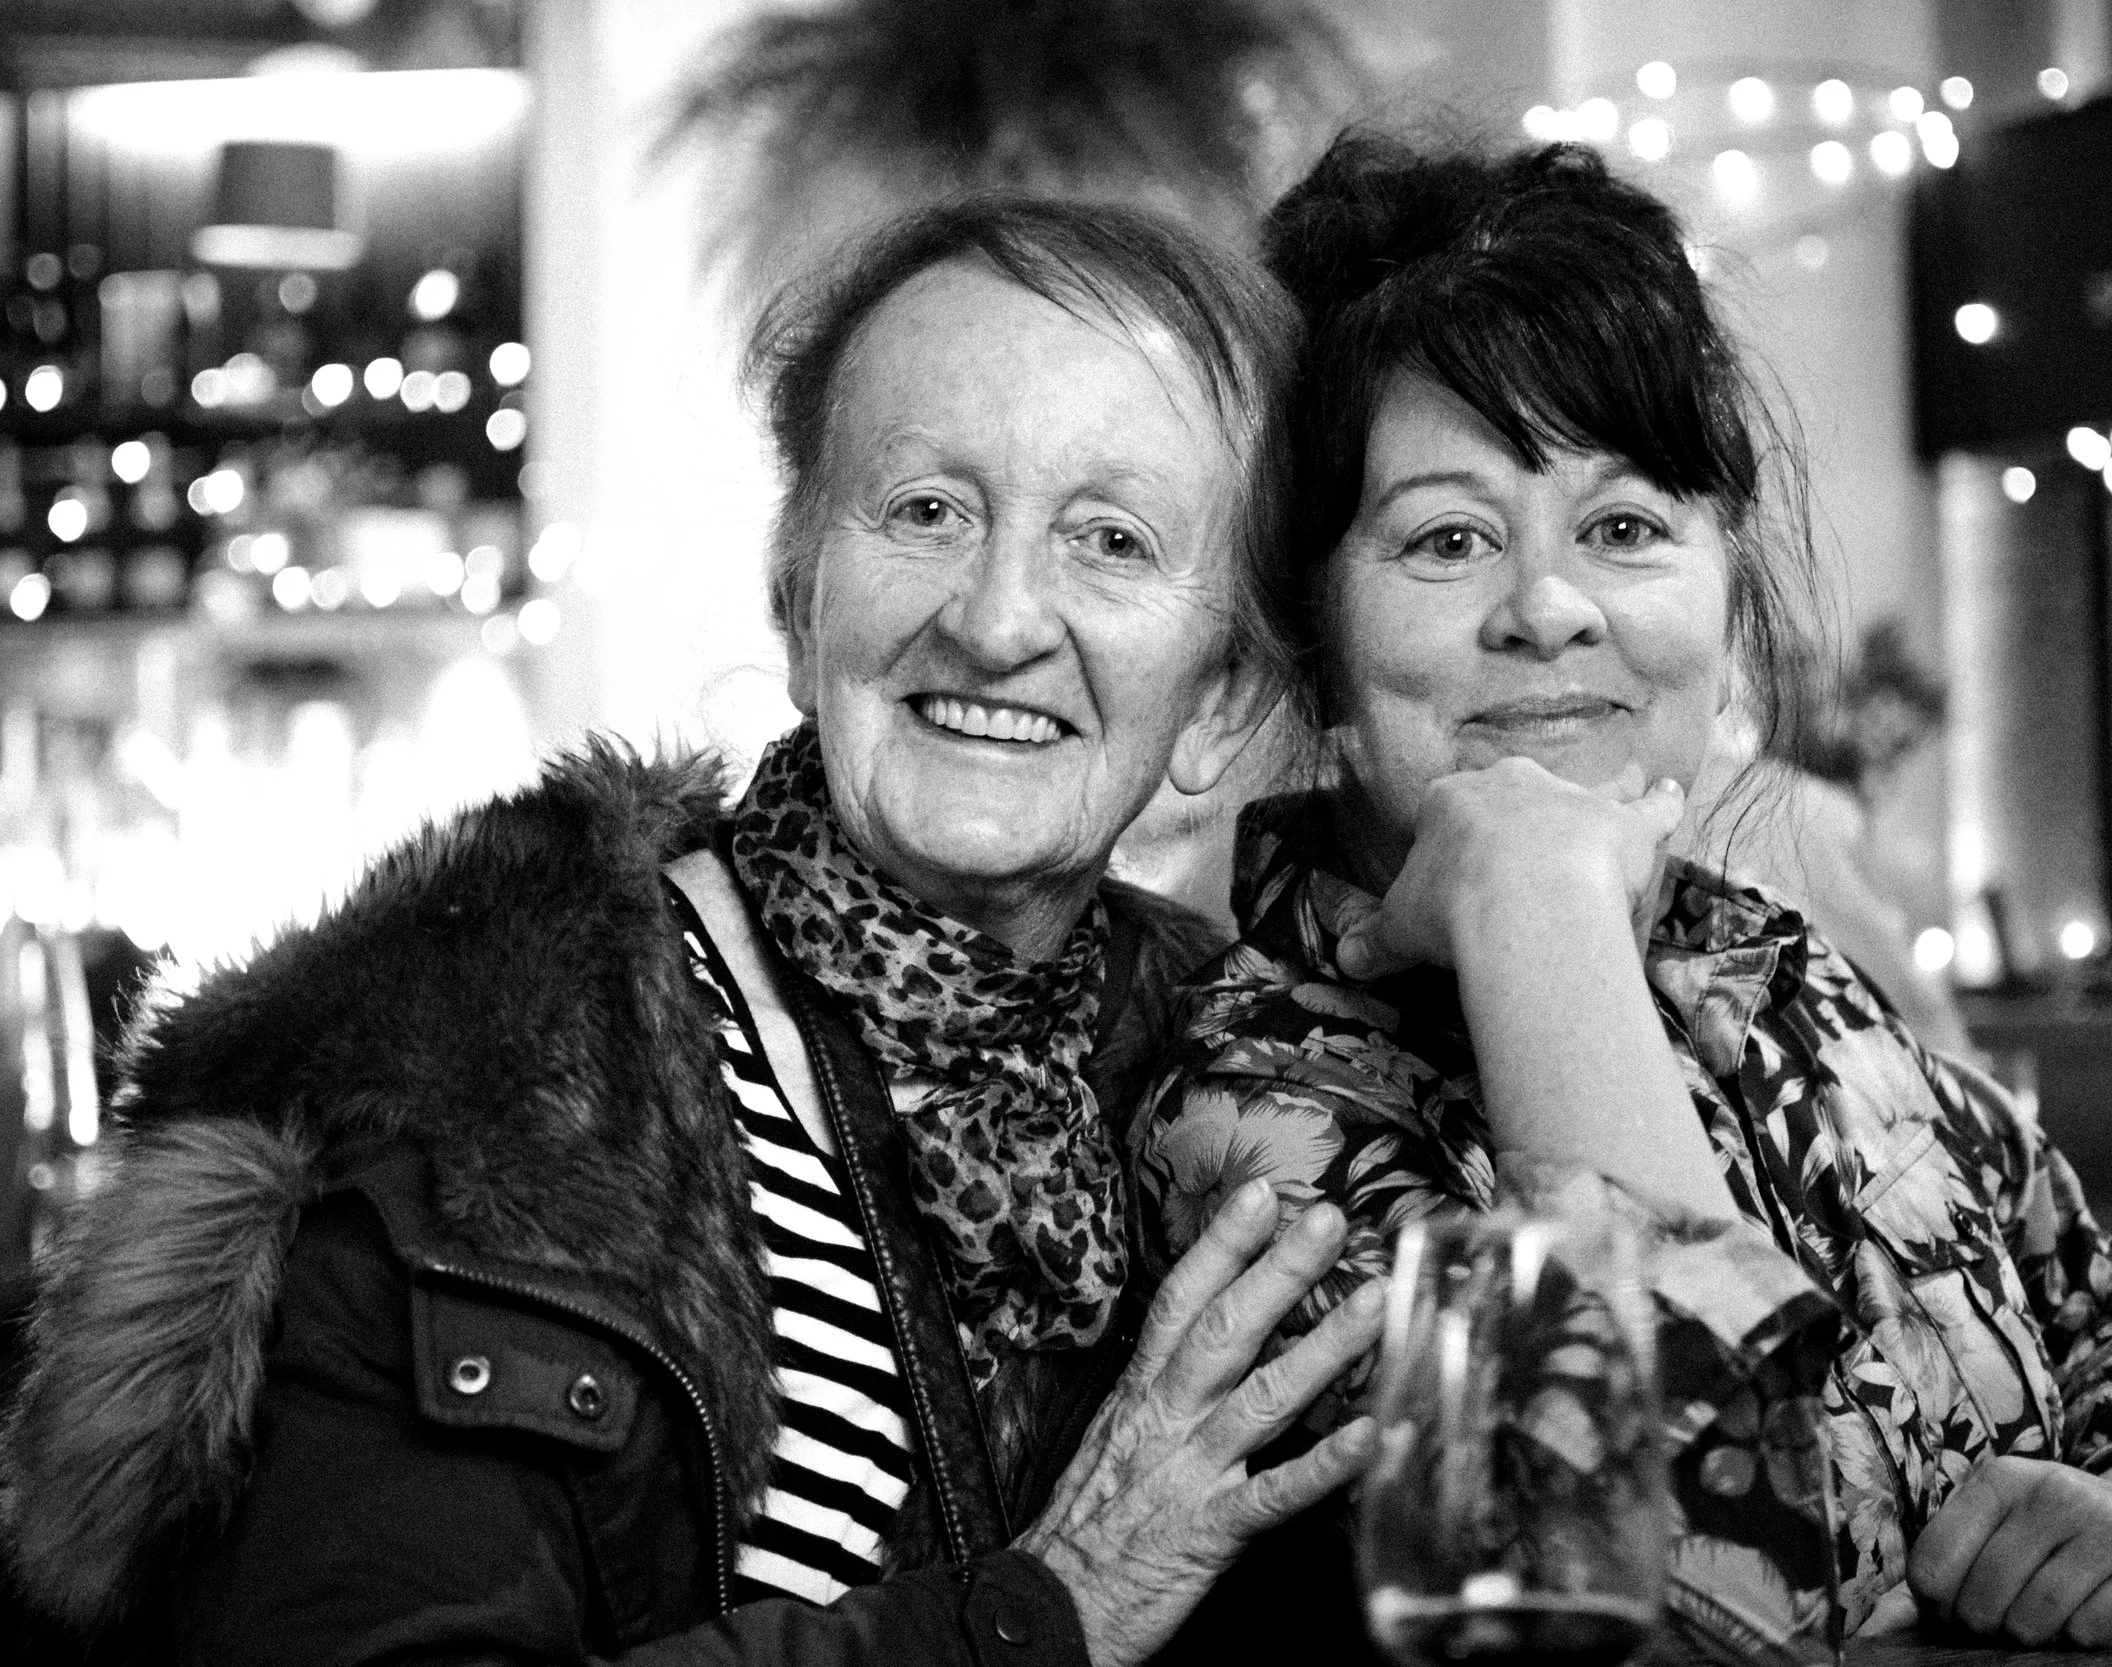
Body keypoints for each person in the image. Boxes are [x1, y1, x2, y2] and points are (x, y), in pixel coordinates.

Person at [2, 199, 1383, 1667]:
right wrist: (1040, 1615)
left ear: (1222, 694)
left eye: (1110, 539)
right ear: (798, 590)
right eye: (927, 509)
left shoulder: (1252, 1077)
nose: (997, 619)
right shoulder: (483, 1069)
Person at [1132, 136, 2112, 1660]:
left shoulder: (1782, 978)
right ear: (1316, 645)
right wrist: (1538, 912)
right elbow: (1700, 1600)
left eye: (1623, 527)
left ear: (1726, 603)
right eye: (1448, 539)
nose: (1552, 607)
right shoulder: (1252, 1118)